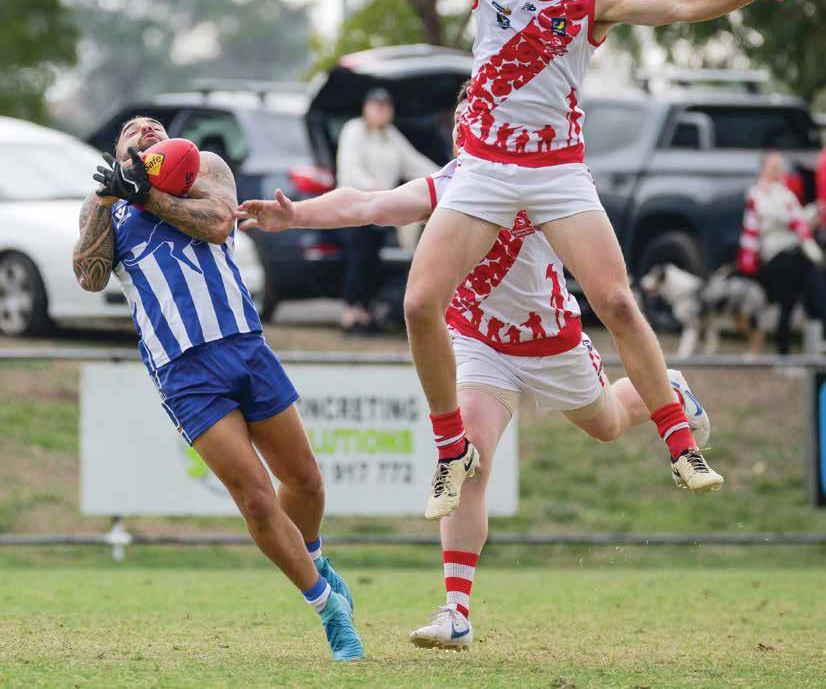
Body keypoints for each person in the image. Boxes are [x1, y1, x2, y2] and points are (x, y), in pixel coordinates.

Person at [270, 0, 784, 511]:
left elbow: (676, 5)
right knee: (419, 304)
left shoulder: (589, 2)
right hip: (484, 169)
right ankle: (452, 446)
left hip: (556, 171)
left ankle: (680, 442)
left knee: (617, 302)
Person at [236, 84, 717, 649]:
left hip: (550, 340)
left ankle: (670, 391)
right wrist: (295, 215)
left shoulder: (547, 179)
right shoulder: (454, 183)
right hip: (479, 342)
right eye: (463, 117)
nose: (469, 126)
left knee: (608, 423)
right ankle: (456, 612)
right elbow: (369, 204)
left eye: (479, 115)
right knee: (471, 463)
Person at [71, 116, 363, 661]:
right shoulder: (103, 204)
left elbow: (218, 223)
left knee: (305, 481)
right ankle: (329, 610)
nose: (146, 128)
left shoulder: (204, 168)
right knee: (255, 497)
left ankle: (315, 559)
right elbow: (89, 276)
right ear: (119, 148)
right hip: (183, 372)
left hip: (243, 345)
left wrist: (147, 194)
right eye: (133, 128)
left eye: (154, 125)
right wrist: (110, 199)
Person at [336, 87, 437, 333]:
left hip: (380, 209)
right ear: (366, 108)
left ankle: (367, 312)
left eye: (386, 106)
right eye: (376, 105)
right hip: (354, 207)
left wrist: (444, 176)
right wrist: (375, 187)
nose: (381, 111)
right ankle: (351, 313)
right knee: (358, 260)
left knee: (373, 260)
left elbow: (414, 162)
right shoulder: (354, 130)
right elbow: (351, 169)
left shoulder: (391, 135)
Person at [737, 151, 826, 354]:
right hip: (778, 259)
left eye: (780, 167)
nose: (778, 171)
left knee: (804, 298)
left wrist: (815, 211)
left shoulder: (783, 193)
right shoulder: (758, 194)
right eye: (773, 167)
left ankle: (801, 348)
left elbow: (797, 219)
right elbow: (785, 216)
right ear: (763, 169)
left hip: (795, 257)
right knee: (796, 299)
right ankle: (786, 353)